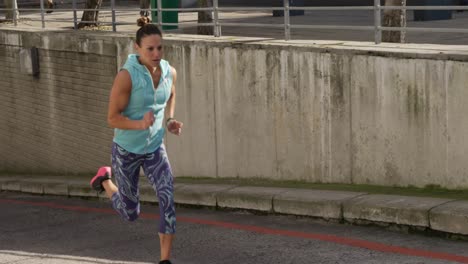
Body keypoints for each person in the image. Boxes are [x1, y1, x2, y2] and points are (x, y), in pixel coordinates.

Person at [90, 22, 183, 264]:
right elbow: (112, 118)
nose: (156, 54)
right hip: (126, 151)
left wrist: (170, 120)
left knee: (167, 197)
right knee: (131, 213)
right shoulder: (126, 76)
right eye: (150, 49)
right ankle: (105, 182)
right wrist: (139, 124)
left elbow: (171, 93)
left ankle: (165, 260)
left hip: (154, 149)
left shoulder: (169, 71)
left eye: (160, 48)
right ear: (137, 48)